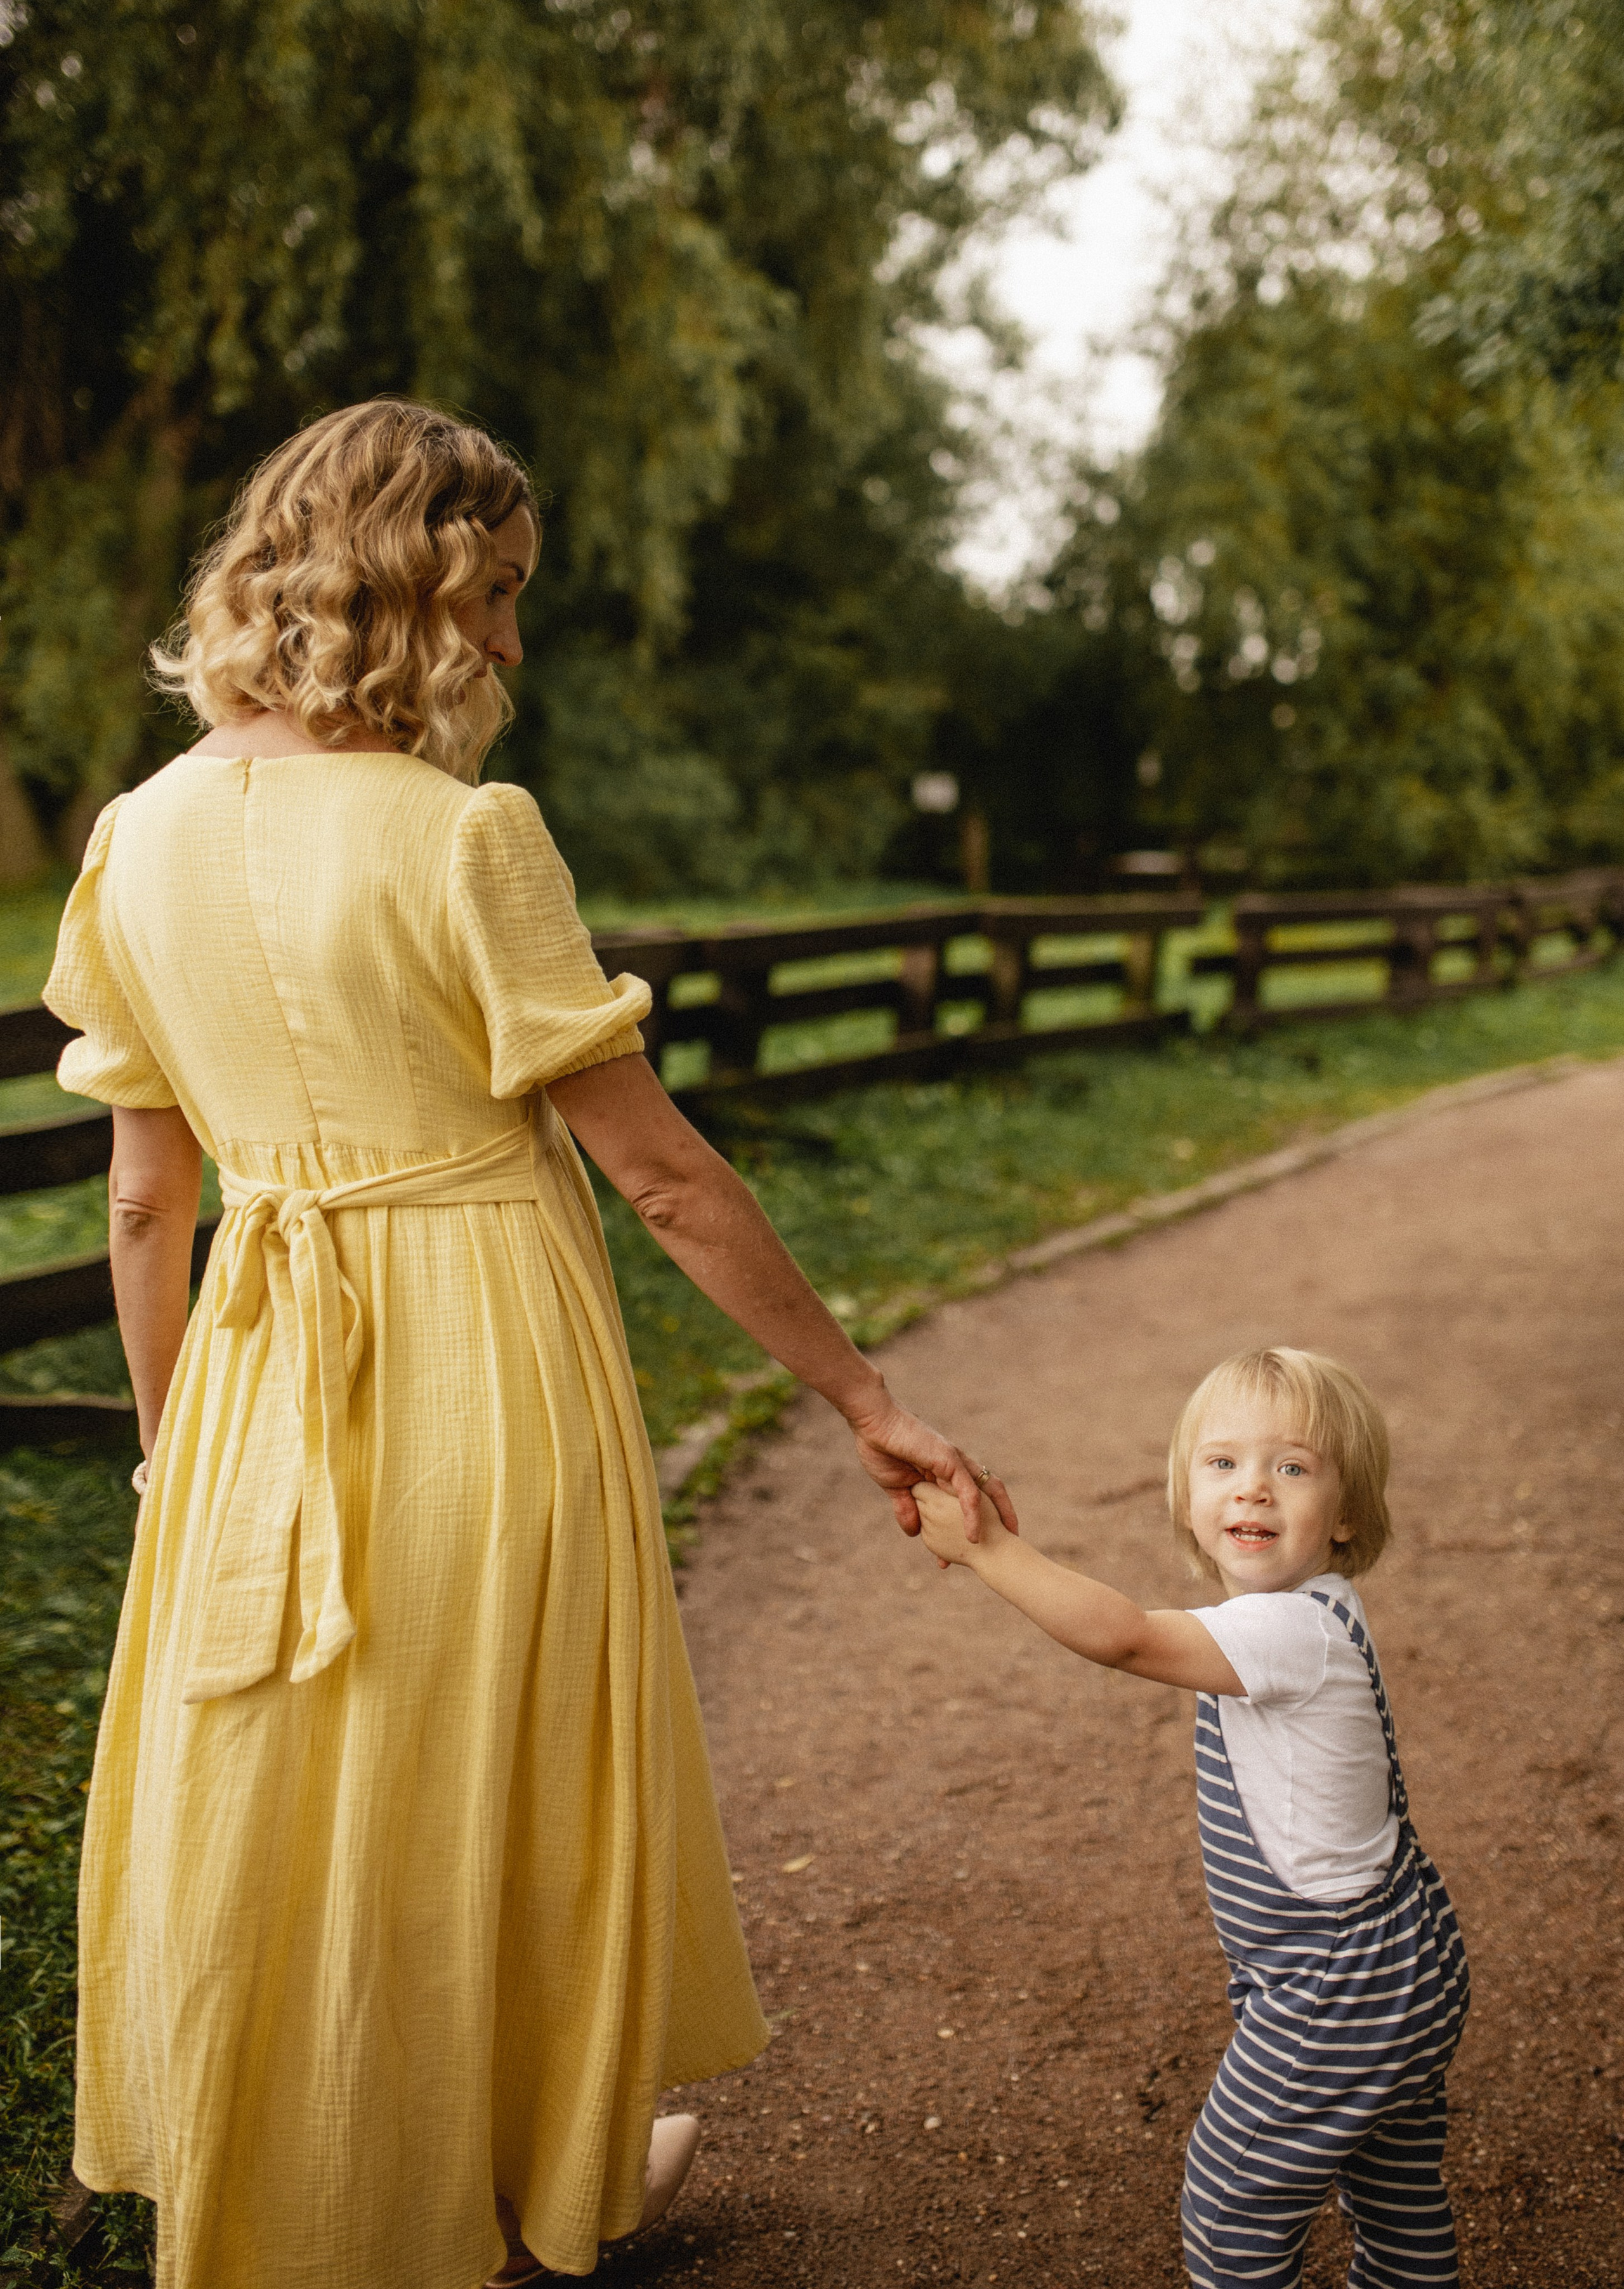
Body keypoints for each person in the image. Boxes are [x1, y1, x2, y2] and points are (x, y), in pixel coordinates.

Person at [44, 398, 1014, 2289]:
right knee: (490, 1771)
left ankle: (333, 2187)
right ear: (396, 580)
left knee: (303, 1781)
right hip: (481, 1351)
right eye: (489, 596)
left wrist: (177, 1452)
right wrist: (865, 1397)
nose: (503, 644)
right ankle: (508, 2199)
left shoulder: (131, 841)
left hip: (253, 1372)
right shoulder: (469, 835)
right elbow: (658, 1179)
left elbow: (147, 1204)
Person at [914, 1346, 1470, 2289]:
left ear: (1345, 1519)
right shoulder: (1317, 1609)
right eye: (1223, 1464)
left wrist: (984, 1549)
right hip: (1408, 1956)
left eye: (1291, 1468)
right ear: (1185, 1497)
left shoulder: (1284, 1631)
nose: (1252, 1488)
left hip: (1336, 1987)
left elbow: (1125, 1635)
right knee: (1394, 2192)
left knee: (1232, 2202)